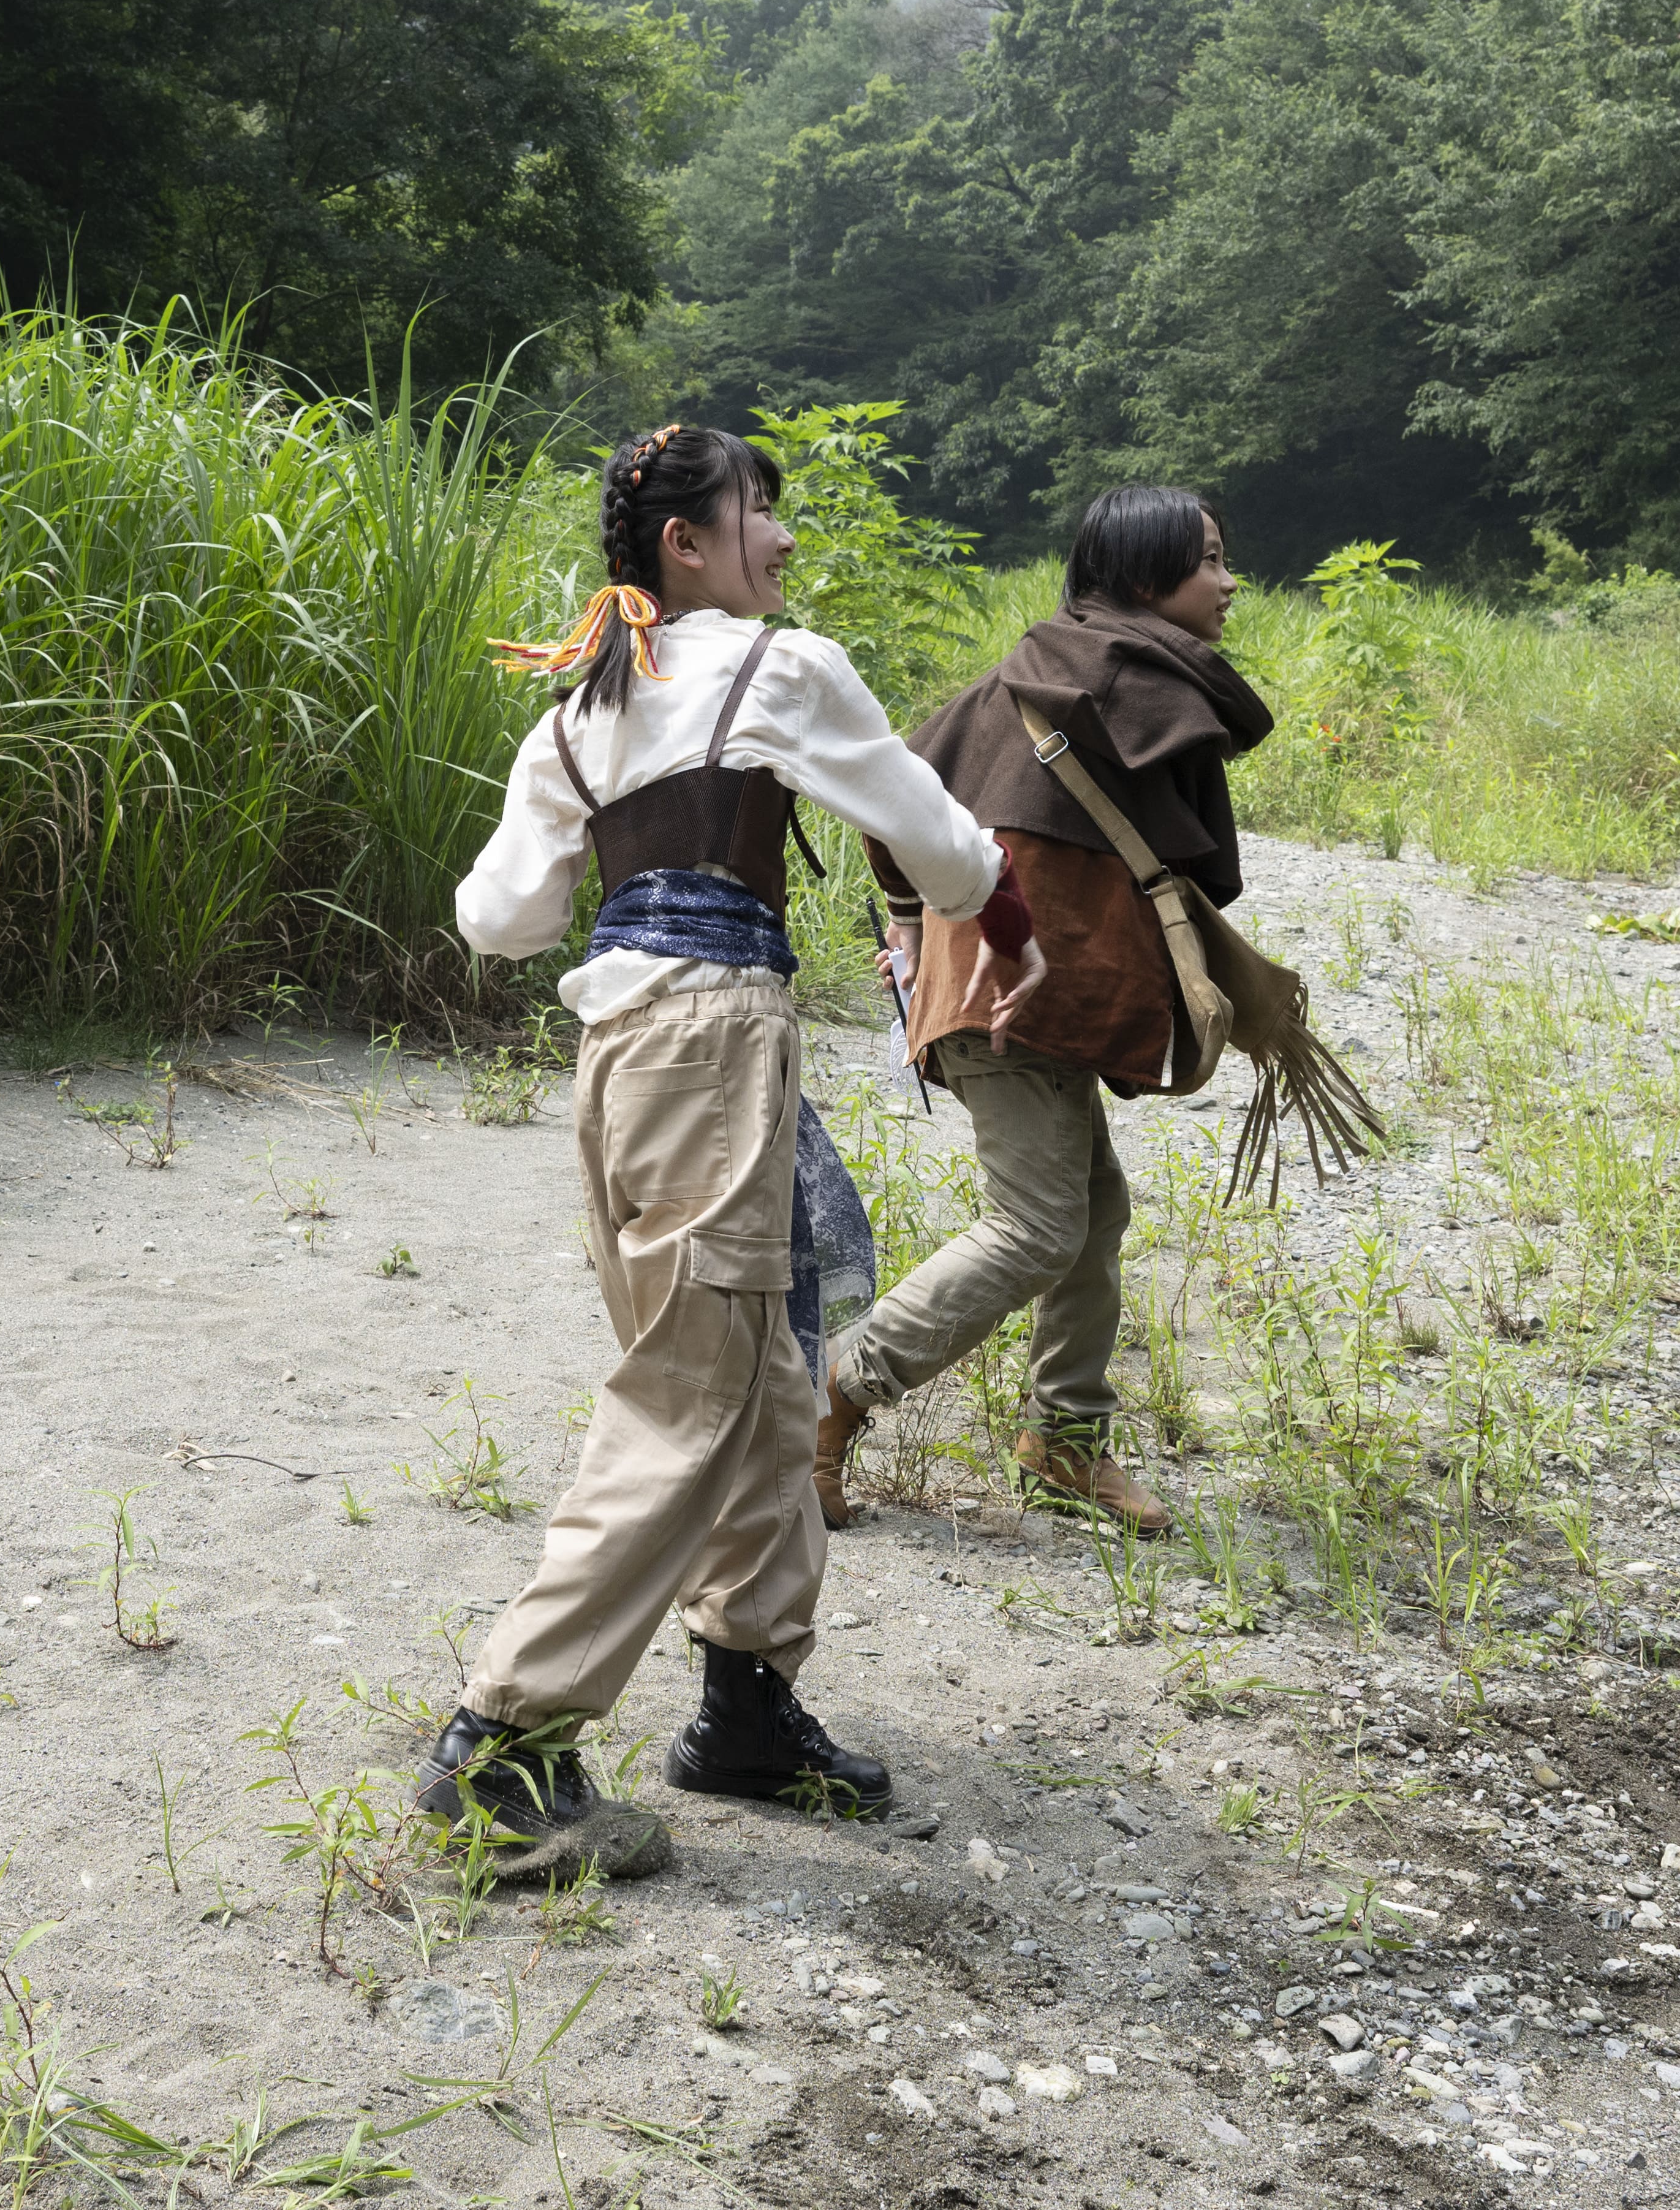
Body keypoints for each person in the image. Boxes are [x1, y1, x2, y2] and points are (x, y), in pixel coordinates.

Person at [431, 425, 1034, 1884]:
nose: (782, 536)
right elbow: (945, 850)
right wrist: (1005, 923)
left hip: (619, 1056)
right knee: (691, 1394)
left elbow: (498, 921)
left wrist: (622, 848)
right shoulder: (783, 667)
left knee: (762, 1381)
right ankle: (499, 1749)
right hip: (712, 1041)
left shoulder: (577, 711)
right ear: (686, 544)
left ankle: (746, 1707)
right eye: (759, 510)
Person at [837, 484, 1266, 1536]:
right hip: (1012, 997)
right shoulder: (1126, 680)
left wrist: (907, 920)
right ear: (1143, 575)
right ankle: (830, 1393)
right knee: (1035, 1227)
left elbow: (893, 791)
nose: (1228, 582)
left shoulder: (1041, 667)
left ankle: (1065, 1441)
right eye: (1209, 559)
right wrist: (910, 925)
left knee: (1094, 1211)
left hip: (1023, 993)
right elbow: (889, 795)